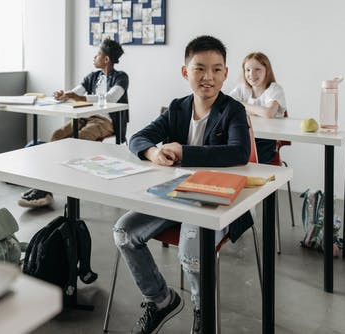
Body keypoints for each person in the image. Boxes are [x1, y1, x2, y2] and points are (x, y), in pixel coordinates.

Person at [113, 35, 252, 334]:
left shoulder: (233, 110)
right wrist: (152, 151)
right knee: (125, 232)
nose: (208, 77)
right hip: (174, 196)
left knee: (192, 247)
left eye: (216, 69)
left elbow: (239, 152)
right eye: (199, 68)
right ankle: (161, 300)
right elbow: (138, 137)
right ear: (185, 72)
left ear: (226, 74)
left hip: (215, 199)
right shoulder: (177, 108)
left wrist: (184, 152)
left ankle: (203, 311)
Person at [18, 38, 129, 208]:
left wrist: (80, 97)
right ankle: (46, 188)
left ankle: (65, 187)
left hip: (107, 120)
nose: (94, 57)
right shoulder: (93, 76)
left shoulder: (121, 78)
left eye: (98, 54)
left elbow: (111, 98)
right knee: (57, 136)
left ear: (106, 59)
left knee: (79, 140)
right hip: (85, 116)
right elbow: (76, 91)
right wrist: (64, 94)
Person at [229, 52, 287, 164]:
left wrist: (241, 105)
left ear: (267, 71)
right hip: (243, 137)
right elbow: (228, 104)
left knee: (243, 160)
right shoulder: (242, 89)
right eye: (248, 70)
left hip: (265, 142)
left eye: (258, 69)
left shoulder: (274, 89)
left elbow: (268, 113)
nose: (252, 74)